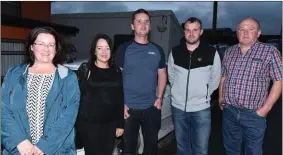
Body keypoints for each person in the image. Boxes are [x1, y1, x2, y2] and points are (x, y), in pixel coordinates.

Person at [1, 27, 80, 155]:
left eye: (51, 45)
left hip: (56, 150)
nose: (46, 49)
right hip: (19, 149)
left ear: (56, 48)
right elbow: (4, 110)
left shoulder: (68, 77)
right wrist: (19, 141)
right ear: (32, 46)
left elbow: (68, 116)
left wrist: (45, 146)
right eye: (41, 44)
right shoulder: (14, 74)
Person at [219, 17, 282, 155]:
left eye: (251, 29)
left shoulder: (269, 52)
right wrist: (220, 98)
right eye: (242, 29)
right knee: (230, 148)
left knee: (253, 151)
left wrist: (265, 109)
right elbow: (224, 76)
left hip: (254, 114)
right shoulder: (230, 52)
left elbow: (279, 81)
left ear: (258, 33)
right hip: (230, 111)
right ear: (237, 33)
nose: (245, 33)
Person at [115, 8, 167, 155]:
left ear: (149, 26)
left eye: (146, 22)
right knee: (129, 149)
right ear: (132, 26)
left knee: (151, 148)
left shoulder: (157, 50)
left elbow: (162, 74)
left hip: (151, 108)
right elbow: (116, 77)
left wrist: (160, 97)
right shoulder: (124, 49)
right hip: (129, 110)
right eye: (139, 21)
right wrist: (121, 104)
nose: (143, 25)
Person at [167, 17, 221, 155]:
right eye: (188, 30)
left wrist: (206, 93)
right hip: (178, 108)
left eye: (195, 30)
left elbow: (215, 78)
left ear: (201, 31)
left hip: (201, 108)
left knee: (201, 149)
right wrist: (176, 91)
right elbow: (171, 76)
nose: (191, 33)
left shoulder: (211, 52)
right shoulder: (175, 52)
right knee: (182, 147)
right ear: (184, 32)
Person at [75, 34, 124, 155]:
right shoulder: (86, 70)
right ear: (94, 51)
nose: (104, 51)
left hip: (110, 125)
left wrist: (120, 124)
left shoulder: (116, 71)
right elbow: (78, 99)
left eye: (107, 48)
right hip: (89, 126)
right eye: (100, 48)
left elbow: (119, 99)